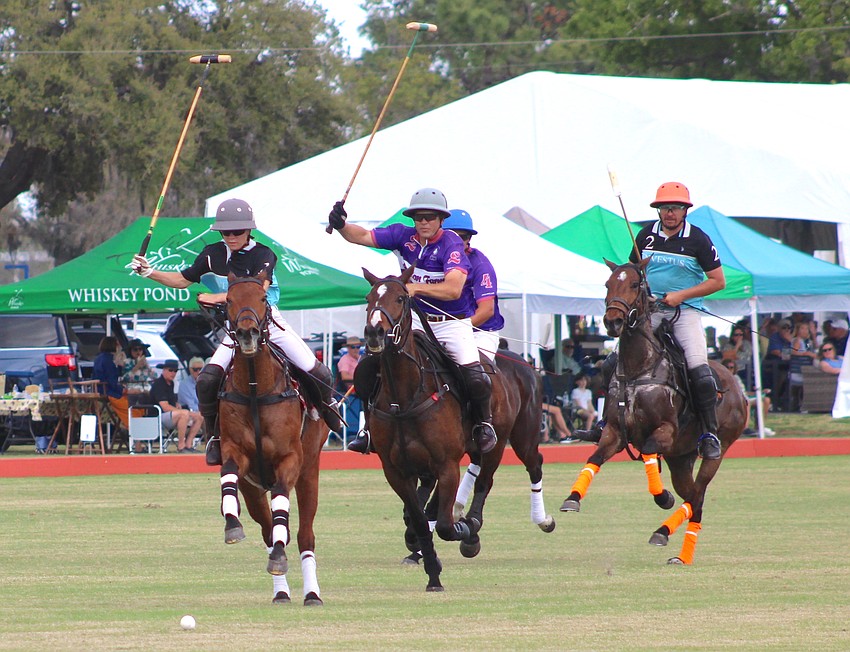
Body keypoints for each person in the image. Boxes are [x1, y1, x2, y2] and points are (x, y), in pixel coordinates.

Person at [132, 198, 342, 464]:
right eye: (225, 232)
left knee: (317, 370)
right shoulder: (212, 254)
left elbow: (255, 291)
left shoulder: (264, 254)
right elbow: (183, 279)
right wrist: (150, 271)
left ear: (248, 231)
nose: (231, 236)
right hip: (235, 330)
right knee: (207, 380)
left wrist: (216, 297)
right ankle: (214, 436)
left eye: (237, 231)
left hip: (267, 322)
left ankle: (325, 407)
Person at [328, 187, 497, 454]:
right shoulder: (401, 235)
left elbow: (454, 288)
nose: (424, 222)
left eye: (430, 217)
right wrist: (341, 225)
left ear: (441, 219)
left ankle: (482, 425)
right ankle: (370, 428)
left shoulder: (451, 244)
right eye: (419, 217)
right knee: (370, 366)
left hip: (451, 321)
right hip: (415, 319)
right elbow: (360, 236)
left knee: (475, 376)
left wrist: (417, 289)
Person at [442, 209, 505, 362]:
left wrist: (455, 331)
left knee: (473, 375)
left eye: (462, 237)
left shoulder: (480, 265)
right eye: (451, 236)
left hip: (480, 331)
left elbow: (486, 311)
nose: (456, 242)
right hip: (442, 329)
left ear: (469, 238)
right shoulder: (433, 258)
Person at [149, 359, 203, 453]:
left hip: (170, 416)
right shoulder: (159, 384)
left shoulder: (171, 384)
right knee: (184, 414)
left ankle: (188, 444)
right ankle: (181, 446)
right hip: (157, 416)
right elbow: (165, 407)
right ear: (164, 370)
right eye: (170, 370)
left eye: (175, 371)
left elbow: (173, 403)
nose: (173, 373)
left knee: (199, 416)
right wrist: (184, 412)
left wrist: (177, 405)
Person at [723, 359, 773, 436]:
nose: (729, 369)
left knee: (766, 400)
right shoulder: (723, 378)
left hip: (745, 397)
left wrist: (760, 392)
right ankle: (745, 428)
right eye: (727, 367)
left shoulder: (736, 377)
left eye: (731, 367)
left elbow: (744, 392)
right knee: (747, 402)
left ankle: (759, 427)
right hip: (733, 399)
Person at [92, 336, 131, 431]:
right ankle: (135, 430)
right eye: (118, 344)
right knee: (132, 407)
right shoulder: (109, 360)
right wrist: (122, 390)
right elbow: (112, 380)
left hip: (102, 389)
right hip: (109, 391)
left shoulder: (99, 358)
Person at [336, 335, 363, 443]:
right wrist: (359, 377)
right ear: (348, 348)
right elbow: (344, 376)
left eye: (357, 347)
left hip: (361, 387)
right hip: (350, 389)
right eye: (353, 347)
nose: (356, 349)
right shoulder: (345, 360)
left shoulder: (360, 359)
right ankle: (352, 431)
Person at [788, 321, 816, 411]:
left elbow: (810, 348)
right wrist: (806, 353)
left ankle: (804, 404)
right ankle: (800, 405)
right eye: (802, 328)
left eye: (806, 329)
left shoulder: (807, 342)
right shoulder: (797, 340)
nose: (805, 331)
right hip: (797, 371)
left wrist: (813, 337)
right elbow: (794, 351)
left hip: (806, 370)